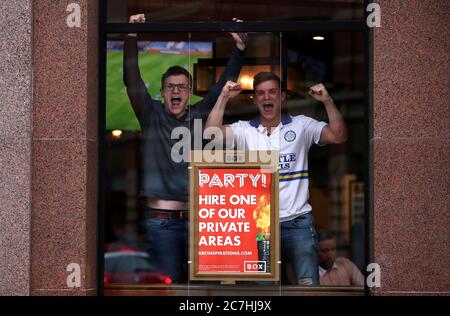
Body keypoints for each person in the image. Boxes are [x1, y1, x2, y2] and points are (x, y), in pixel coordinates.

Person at [123, 14, 247, 283]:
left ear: (189, 92)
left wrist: (238, 50)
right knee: (171, 287)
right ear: (162, 92)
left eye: (181, 87)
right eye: (170, 87)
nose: (175, 91)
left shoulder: (200, 113)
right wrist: (130, 36)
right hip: (162, 221)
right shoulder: (150, 113)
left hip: (199, 220)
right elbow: (131, 78)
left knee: (205, 289)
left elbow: (221, 86)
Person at [205, 72, 348, 285]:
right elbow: (210, 135)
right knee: (265, 291)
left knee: (307, 287)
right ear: (254, 99)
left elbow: (339, 135)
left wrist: (327, 100)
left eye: (272, 92)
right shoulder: (244, 130)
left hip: (299, 221)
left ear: (282, 97)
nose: (266, 97)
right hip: (261, 226)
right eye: (260, 93)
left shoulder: (301, 125)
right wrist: (224, 97)